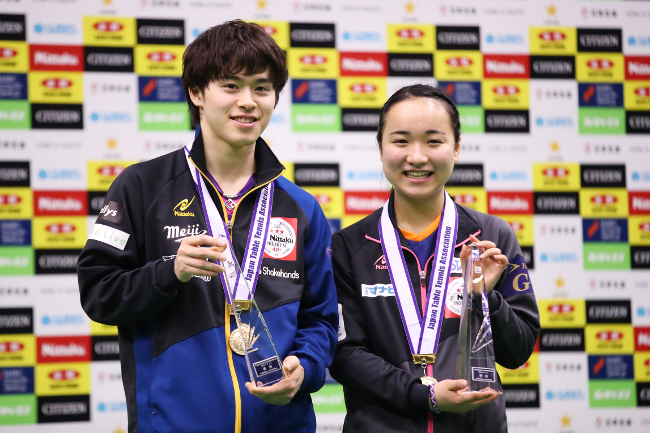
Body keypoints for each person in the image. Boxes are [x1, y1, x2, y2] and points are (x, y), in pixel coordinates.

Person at [77, 20, 338, 433]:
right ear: (197, 93)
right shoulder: (141, 186)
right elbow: (98, 294)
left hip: (280, 424)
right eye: (231, 86)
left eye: (262, 87)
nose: (248, 102)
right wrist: (169, 272)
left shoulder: (301, 207)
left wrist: (304, 368)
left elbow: (321, 319)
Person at [329, 85, 539, 433]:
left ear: (456, 148)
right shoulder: (349, 246)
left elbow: (517, 352)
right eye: (400, 141)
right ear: (381, 149)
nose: (417, 156)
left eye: (433, 141)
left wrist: (484, 298)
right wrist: (423, 395)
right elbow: (345, 355)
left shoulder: (492, 237)